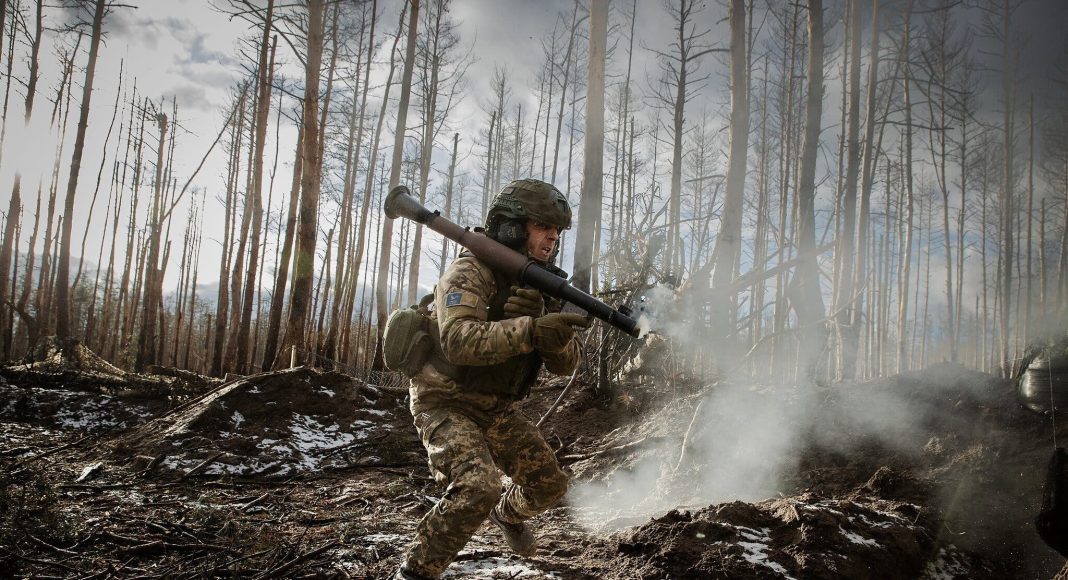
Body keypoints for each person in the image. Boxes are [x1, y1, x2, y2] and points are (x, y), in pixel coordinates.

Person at [395, 179, 589, 580]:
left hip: (495, 410)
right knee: (478, 485)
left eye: (557, 229)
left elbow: (566, 365)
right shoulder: (470, 271)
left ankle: (506, 516)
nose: (552, 235)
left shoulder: (543, 286)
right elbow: (457, 341)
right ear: (514, 226)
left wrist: (546, 328)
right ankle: (414, 572)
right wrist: (529, 330)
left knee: (549, 485)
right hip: (443, 401)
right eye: (542, 224)